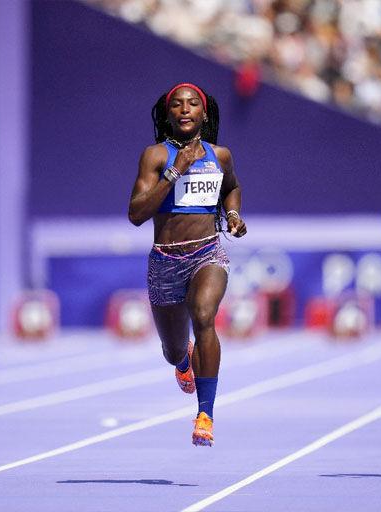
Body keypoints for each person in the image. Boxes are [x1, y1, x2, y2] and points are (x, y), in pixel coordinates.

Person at [128, 83, 246, 446]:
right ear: (168, 115)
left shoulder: (220, 155)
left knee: (204, 316)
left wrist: (232, 214)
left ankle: (205, 414)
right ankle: (183, 362)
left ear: (203, 113)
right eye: (177, 105)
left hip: (207, 253)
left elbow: (232, 187)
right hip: (165, 260)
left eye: (193, 104)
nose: (185, 109)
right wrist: (175, 172)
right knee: (173, 349)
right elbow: (136, 213)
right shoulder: (156, 157)